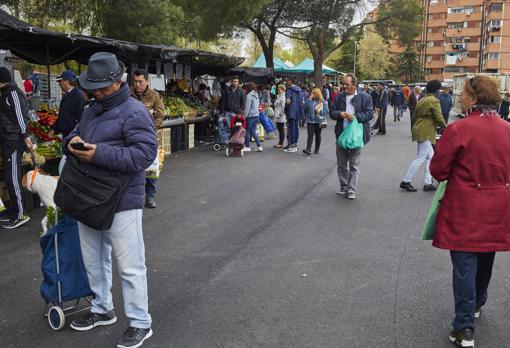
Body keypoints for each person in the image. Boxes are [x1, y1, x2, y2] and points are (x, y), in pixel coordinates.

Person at [66, 52, 156, 348]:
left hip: (122, 199)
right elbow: (78, 131)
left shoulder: (135, 112)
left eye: (103, 86)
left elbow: (145, 154)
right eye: (93, 85)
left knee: (130, 266)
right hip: (89, 196)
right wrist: (72, 141)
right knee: (94, 260)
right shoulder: (91, 108)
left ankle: (141, 322)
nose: (97, 91)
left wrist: (98, 153)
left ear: (119, 82)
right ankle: (102, 309)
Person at [429, 75, 510, 348]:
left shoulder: (458, 130)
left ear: (474, 98)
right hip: (498, 208)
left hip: (464, 208)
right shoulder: (508, 130)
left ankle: (464, 328)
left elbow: (438, 171)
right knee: (486, 257)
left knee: (464, 266)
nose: (460, 98)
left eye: (462, 94)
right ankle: (477, 303)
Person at [0, 67, 35, 229]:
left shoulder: (13, 93)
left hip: (13, 141)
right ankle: (14, 211)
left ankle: (20, 214)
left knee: (12, 177)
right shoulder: (6, 93)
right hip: (8, 140)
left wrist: (25, 135)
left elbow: (21, 117)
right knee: (9, 176)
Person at [330, 73, 373, 200]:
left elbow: (369, 114)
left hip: (357, 136)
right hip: (341, 135)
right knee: (341, 165)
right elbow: (332, 112)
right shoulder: (339, 97)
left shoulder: (365, 97)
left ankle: (351, 189)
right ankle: (344, 186)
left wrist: (355, 117)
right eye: (343, 84)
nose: (344, 86)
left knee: (354, 165)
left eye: (347, 84)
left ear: (354, 85)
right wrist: (340, 114)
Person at [400, 80, 446, 192]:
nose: (440, 92)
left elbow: (414, 114)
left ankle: (428, 182)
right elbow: (438, 116)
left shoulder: (423, 99)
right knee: (420, 158)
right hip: (426, 131)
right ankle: (406, 181)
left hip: (419, 129)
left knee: (430, 157)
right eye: (439, 89)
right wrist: (446, 128)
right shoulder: (434, 100)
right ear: (436, 90)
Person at [130, 69, 164, 209]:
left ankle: (150, 197)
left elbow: (160, 115)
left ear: (147, 81)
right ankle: (134, 198)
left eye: (141, 82)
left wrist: (149, 129)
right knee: (132, 168)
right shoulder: (127, 94)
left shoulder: (154, 95)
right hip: (130, 138)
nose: (138, 84)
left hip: (149, 138)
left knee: (151, 170)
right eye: (135, 82)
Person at [303, 88, 329, 155]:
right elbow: (304, 108)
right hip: (310, 121)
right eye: (311, 93)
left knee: (318, 135)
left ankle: (317, 149)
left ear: (317, 94)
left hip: (318, 121)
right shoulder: (309, 100)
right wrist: (308, 100)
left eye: (313, 93)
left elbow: (326, 111)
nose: (312, 94)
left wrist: (320, 111)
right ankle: (308, 149)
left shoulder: (322, 101)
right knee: (310, 135)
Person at [283, 78, 305, 152]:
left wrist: (285, 109)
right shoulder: (299, 90)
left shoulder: (289, 90)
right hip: (298, 111)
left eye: (287, 81)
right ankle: (295, 144)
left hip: (291, 111)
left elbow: (288, 102)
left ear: (290, 81)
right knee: (296, 128)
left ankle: (292, 146)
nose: (286, 82)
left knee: (292, 129)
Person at [243, 82, 262, 152]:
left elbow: (247, 107)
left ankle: (247, 146)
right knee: (253, 131)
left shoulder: (249, 95)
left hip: (250, 116)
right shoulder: (256, 94)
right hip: (256, 115)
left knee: (247, 130)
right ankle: (259, 146)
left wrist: (244, 116)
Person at [273, 84, 287, 148]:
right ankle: (280, 143)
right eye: (278, 89)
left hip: (281, 116)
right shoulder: (279, 96)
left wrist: (280, 115)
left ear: (283, 89)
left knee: (281, 129)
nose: (278, 91)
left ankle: (280, 143)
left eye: (279, 89)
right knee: (279, 129)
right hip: (278, 115)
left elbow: (284, 107)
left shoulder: (283, 97)